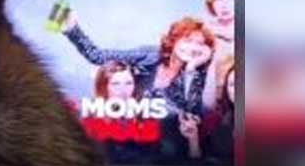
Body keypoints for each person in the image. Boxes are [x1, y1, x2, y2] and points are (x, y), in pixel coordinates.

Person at [63, 14, 216, 117]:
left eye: (200, 44)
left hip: (158, 141)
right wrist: (72, 29)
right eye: (187, 40)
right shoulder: (150, 55)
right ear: (174, 40)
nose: (192, 48)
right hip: (122, 125)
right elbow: (98, 56)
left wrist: (193, 69)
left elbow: (193, 115)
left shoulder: (193, 74)